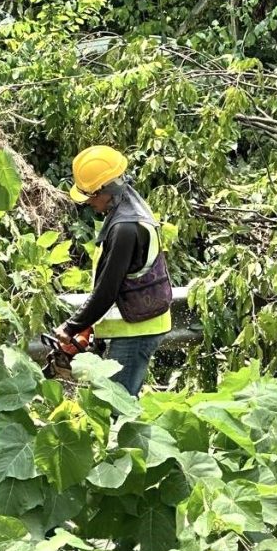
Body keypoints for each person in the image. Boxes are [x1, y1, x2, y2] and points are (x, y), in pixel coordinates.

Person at [55, 145, 172, 397]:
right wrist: (88, 327)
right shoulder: (126, 209)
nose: (87, 202)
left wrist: (71, 327)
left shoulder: (125, 228)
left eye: (90, 195)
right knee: (116, 403)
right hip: (132, 325)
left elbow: (108, 289)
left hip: (136, 329)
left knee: (118, 408)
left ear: (106, 190)